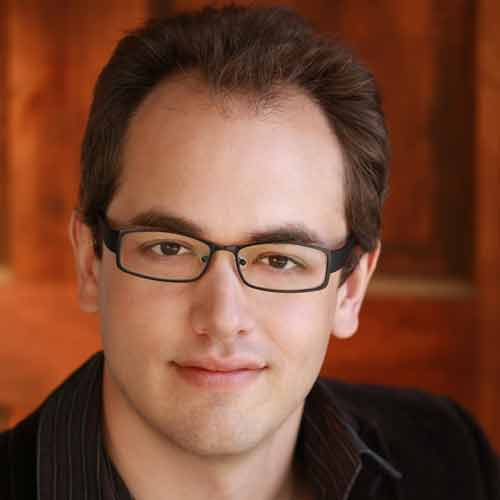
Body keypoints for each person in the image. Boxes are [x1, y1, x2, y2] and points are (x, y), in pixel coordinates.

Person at [1, 5, 499, 500]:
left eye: (280, 259)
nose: (222, 319)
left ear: (350, 288)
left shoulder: (453, 461)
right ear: (90, 260)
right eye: (170, 248)